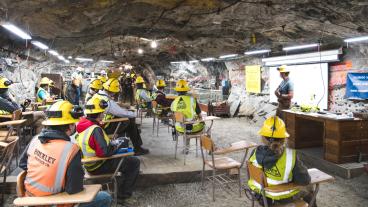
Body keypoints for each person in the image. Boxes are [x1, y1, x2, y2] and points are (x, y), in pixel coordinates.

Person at [19, 100, 112, 207]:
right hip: (54, 203)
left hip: (30, 201)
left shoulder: (35, 140)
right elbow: (74, 189)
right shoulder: (71, 149)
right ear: (70, 126)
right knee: (105, 197)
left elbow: (22, 164)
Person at [77, 96, 140, 203]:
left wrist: (113, 144)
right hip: (99, 165)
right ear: (100, 113)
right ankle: (123, 196)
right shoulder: (95, 129)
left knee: (124, 146)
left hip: (90, 164)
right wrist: (115, 146)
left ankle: (123, 177)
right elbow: (104, 152)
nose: (103, 115)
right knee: (134, 162)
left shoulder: (82, 124)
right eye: (102, 113)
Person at [247, 116, 312, 206]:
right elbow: (304, 180)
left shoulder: (255, 152)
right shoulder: (290, 155)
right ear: (283, 138)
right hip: (280, 195)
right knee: (309, 188)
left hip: (259, 192)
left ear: (263, 137)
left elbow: (250, 175)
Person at [94, 78, 149, 155]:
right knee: (130, 121)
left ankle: (136, 145)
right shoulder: (106, 101)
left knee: (130, 124)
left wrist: (121, 105)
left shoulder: (99, 95)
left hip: (99, 125)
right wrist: (135, 114)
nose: (115, 94)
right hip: (105, 126)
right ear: (112, 91)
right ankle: (137, 147)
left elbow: (114, 107)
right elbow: (120, 112)